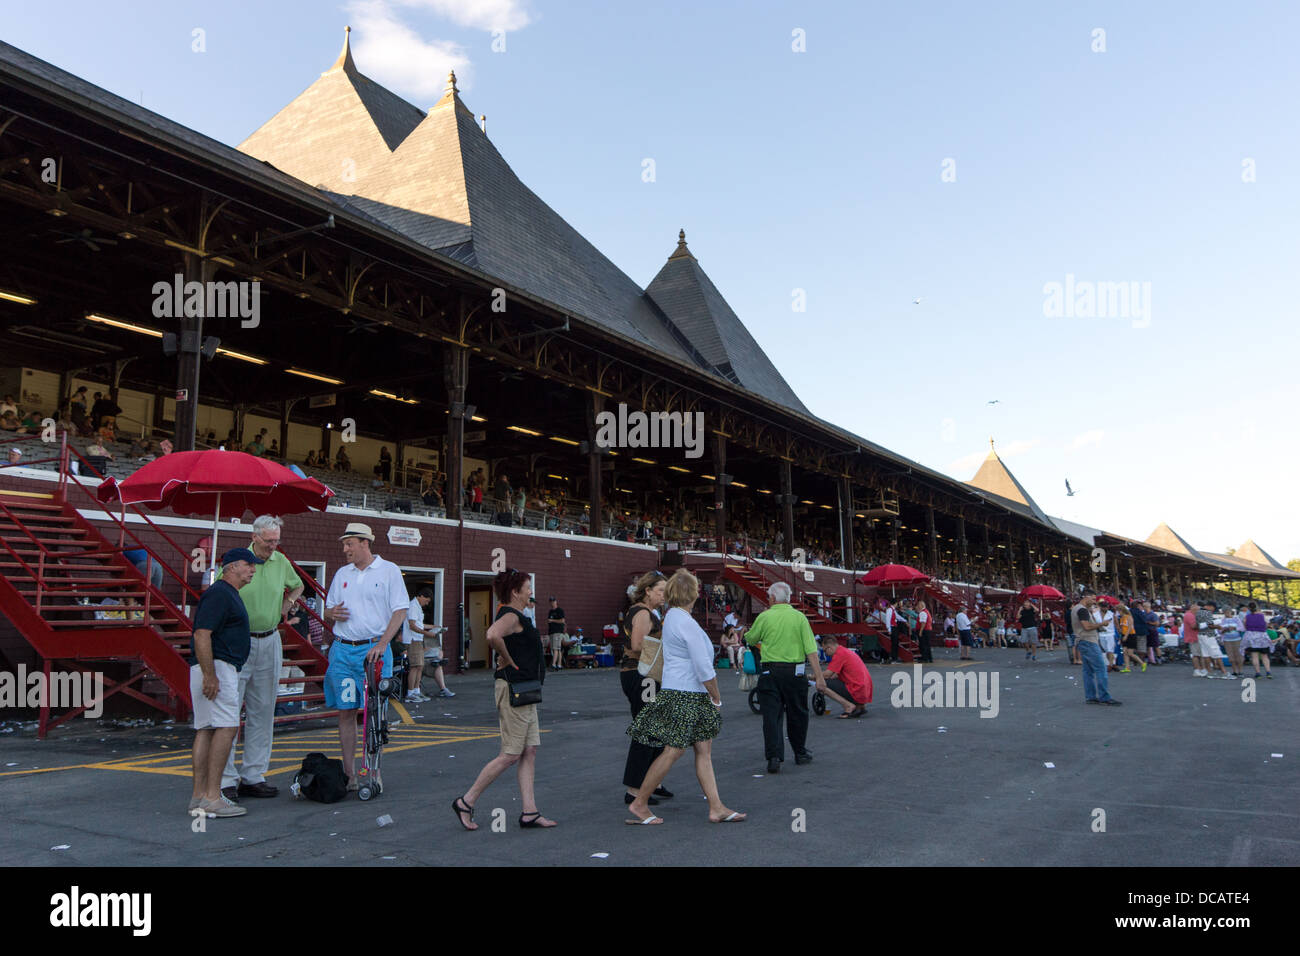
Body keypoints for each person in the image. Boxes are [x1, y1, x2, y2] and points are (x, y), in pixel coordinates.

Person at [624, 569, 746, 826]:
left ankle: (716, 807)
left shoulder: (672, 617)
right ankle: (639, 802)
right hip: (686, 693)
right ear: (693, 594)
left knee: (701, 750)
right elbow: (703, 667)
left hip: (682, 691)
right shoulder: (685, 622)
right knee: (675, 750)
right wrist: (716, 697)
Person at [452, 568, 557, 830]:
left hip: (526, 690)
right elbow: (491, 635)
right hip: (513, 689)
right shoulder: (510, 615)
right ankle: (466, 801)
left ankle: (530, 812)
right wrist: (507, 659)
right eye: (528, 587)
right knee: (510, 754)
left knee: (529, 751)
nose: (531, 592)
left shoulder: (519, 615)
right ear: (515, 592)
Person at [219, 516, 303, 801]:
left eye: (276, 540)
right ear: (254, 537)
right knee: (229, 710)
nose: (273, 546)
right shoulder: (238, 562)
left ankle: (253, 775)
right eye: (268, 541)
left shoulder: (281, 561)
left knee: (264, 709)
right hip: (238, 640)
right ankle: (225, 778)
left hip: (269, 638)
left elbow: (298, 585)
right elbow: (220, 591)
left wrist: (288, 602)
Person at [322, 523, 408, 791]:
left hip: (373, 650)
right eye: (344, 544)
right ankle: (350, 775)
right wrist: (331, 613)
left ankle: (373, 772)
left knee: (374, 713)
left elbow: (400, 610)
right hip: (343, 650)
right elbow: (328, 609)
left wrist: (383, 643)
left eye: (349, 544)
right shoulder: (342, 573)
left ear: (364, 543)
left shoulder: (389, 570)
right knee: (346, 711)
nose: (345, 549)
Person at [188, 547, 264, 819]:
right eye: (248, 564)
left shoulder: (224, 593)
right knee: (227, 727)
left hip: (212, 666)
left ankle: (200, 795)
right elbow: (202, 634)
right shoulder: (221, 593)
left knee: (206, 729)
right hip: (219, 666)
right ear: (231, 567)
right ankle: (212, 797)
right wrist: (210, 674)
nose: (252, 570)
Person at [744, 580, 827, 773]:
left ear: (773, 598)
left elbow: (751, 638)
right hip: (795, 672)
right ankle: (800, 752)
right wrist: (819, 677)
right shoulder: (799, 618)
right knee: (798, 713)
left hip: (770, 672)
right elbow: (811, 649)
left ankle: (774, 757)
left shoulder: (764, 617)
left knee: (771, 716)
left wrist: (748, 635)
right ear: (788, 599)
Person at [618, 570, 674, 806]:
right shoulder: (642, 612)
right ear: (648, 590)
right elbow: (637, 644)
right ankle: (634, 789)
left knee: (656, 727)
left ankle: (653, 782)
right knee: (647, 729)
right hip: (642, 676)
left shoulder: (646, 612)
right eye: (660, 590)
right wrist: (666, 645)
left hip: (644, 675)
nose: (664, 595)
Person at [1072, 590, 1121, 705]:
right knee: (1101, 669)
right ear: (1086, 597)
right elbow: (1087, 626)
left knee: (1088, 671)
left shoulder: (1076, 608)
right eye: (1093, 599)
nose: (1094, 602)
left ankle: (1091, 696)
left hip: (1082, 640)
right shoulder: (1083, 610)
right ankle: (1104, 697)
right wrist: (1101, 624)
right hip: (1088, 641)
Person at [819, 635, 870, 717]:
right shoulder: (844, 651)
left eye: (825, 651)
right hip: (864, 690)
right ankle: (860, 706)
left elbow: (827, 675)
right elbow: (835, 676)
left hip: (857, 690)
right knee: (831, 680)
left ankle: (848, 706)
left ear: (829, 648)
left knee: (822, 684)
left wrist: (812, 676)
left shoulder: (839, 654)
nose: (826, 654)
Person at [403, 587, 436, 704]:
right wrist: (427, 633)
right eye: (426, 601)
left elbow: (419, 624)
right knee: (415, 666)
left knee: (420, 666)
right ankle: (410, 693)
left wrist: (433, 627)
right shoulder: (413, 606)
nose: (426, 604)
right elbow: (412, 625)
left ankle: (416, 691)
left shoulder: (417, 607)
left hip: (417, 639)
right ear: (421, 596)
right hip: (413, 639)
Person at [1240, 602, 1273, 679]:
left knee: (1254, 656)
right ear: (1257, 608)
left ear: (1249, 608)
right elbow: (1266, 625)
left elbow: (1245, 627)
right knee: (1264, 656)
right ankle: (1268, 672)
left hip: (1251, 637)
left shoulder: (1246, 617)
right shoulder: (1262, 616)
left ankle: (1258, 673)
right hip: (1262, 636)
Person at [1219, 604, 1245, 676]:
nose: (1227, 613)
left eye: (1228, 611)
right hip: (1227, 640)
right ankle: (1234, 671)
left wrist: (1234, 628)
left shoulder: (1236, 619)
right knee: (1231, 656)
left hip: (1237, 639)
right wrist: (1224, 630)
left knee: (1239, 655)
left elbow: (1242, 628)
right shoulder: (1222, 620)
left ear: (1231, 611)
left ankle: (1240, 671)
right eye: (1225, 612)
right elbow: (1219, 631)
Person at [546, 596, 567, 670]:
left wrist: (552, 620)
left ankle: (553, 664)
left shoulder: (559, 610)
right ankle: (559, 664)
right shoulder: (550, 611)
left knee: (555, 648)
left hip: (557, 632)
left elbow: (562, 621)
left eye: (553, 601)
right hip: (552, 632)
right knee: (557, 649)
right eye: (551, 601)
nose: (552, 603)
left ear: (556, 602)